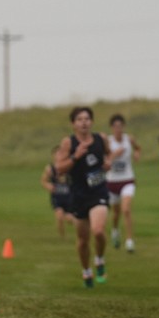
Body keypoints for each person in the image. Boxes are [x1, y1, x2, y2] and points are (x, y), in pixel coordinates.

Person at [54, 107, 111, 288]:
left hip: (99, 192)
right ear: (73, 124)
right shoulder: (68, 143)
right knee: (83, 240)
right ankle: (86, 270)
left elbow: (108, 154)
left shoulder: (101, 138)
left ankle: (100, 259)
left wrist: (108, 162)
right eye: (79, 119)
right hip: (78, 196)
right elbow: (60, 168)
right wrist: (75, 156)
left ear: (91, 122)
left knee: (99, 230)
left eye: (87, 118)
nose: (84, 122)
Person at [106, 114, 141, 252]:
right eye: (115, 127)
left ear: (123, 127)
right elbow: (105, 160)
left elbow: (138, 148)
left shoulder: (129, 139)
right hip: (111, 181)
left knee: (126, 209)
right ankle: (115, 231)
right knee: (115, 213)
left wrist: (137, 153)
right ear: (111, 128)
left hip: (127, 180)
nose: (118, 129)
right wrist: (115, 154)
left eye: (120, 126)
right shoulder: (107, 142)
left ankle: (129, 241)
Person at [41, 146, 74, 239]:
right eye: (58, 154)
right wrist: (48, 185)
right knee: (59, 216)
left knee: (70, 219)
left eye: (62, 153)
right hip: (57, 198)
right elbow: (43, 180)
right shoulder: (50, 169)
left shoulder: (69, 166)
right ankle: (62, 237)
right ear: (54, 156)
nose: (60, 156)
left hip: (69, 197)